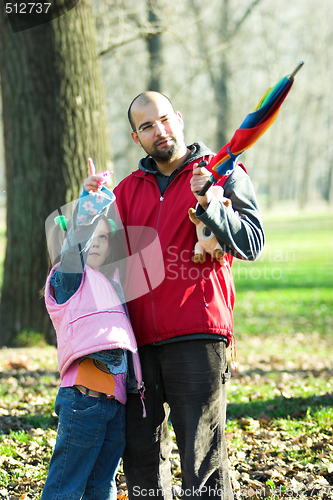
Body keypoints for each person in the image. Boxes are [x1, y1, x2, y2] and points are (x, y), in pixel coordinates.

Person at [88, 92, 265, 499]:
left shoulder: (224, 172)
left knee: (202, 462)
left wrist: (209, 204)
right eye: (147, 126)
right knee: (142, 465)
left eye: (164, 120)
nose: (159, 130)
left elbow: (252, 243)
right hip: (137, 345)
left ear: (179, 119)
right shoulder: (127, 191)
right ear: (137, 138)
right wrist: (88, 209)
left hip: (198, 336)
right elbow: (103, 266)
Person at [41, 161, 144, 500]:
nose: (96, 243)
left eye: (103, 237)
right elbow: (75, 247)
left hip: (114, 406)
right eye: (90, 237)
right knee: (65, 487)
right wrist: (89, 202)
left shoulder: (113, 285)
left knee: (102, 486)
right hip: (83, 400)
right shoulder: (69, 278)